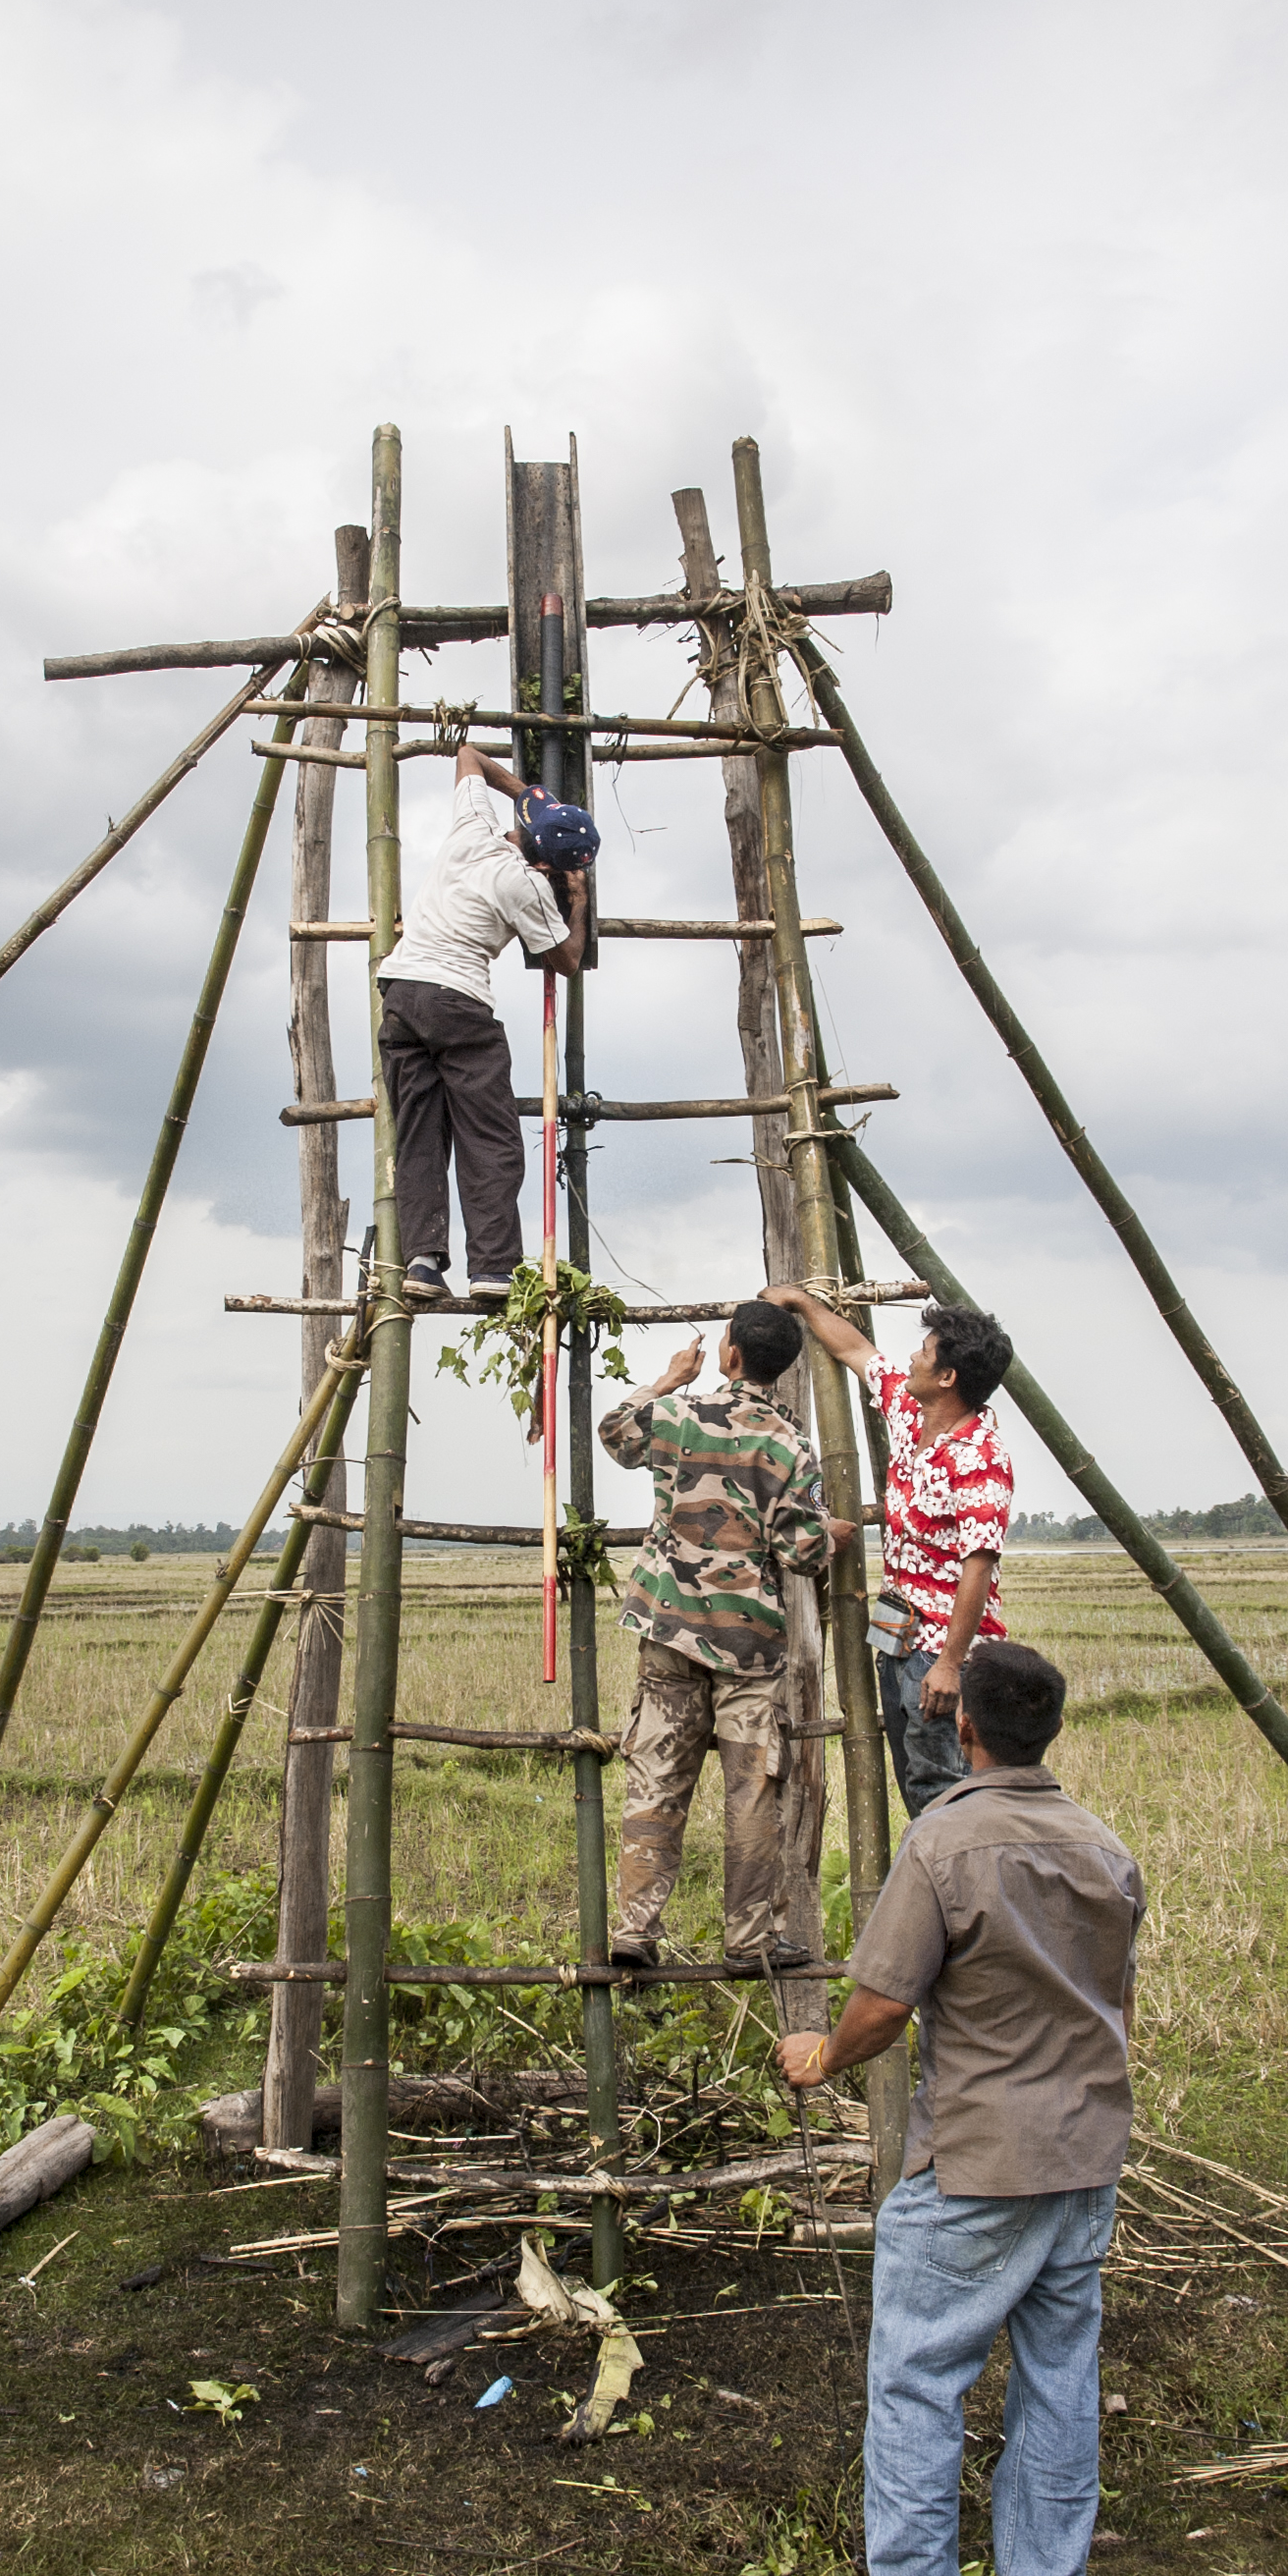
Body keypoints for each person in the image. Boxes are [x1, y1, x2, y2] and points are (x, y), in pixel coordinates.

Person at [774, 1640, 1145, 2576]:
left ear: (963, 1726)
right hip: (1084, 2156)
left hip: (977, 2161)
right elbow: (1114, 2004)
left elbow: (885, 2000)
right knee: (1061, 2378)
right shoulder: (1104, 1848)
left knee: (914, 2381)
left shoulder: (943, 1841)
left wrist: (822, 2054)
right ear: (1048, 1730)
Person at [598, 1299, 857, 1973]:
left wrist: (667, 1379)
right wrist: (826, 1533)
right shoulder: (790, 1446)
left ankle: (635, 1928)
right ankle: (749, 1939)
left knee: (655, 1776)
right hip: (748, 1648)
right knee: (753, 1791)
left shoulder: (682, 1416)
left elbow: (615, 1431)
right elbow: (799, 1552)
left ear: (730, 1354)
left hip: (669, 1632)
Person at [764, 1287, 1013, 1818]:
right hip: (896, 1635)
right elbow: (858, 1353)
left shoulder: (979, 1458)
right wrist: (805, 1306)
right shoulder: (912, 1416)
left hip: (942, 1652)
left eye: (924, 1353)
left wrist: (948, 1665)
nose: (912, 1359)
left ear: (947, 1377)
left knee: (944, 1788)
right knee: (915, 1782)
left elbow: (979, 1567)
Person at [377, 740, 596, 1302]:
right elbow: (567, 960)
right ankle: (492, 1269)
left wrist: (528, 796)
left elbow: (469, 755)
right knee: (489, 1137)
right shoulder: (525, 884)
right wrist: (576, 897)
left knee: (419, 1134)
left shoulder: (472, 829)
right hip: (458, 1000)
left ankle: (422, 1263)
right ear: (547, 863)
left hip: (401, 992)